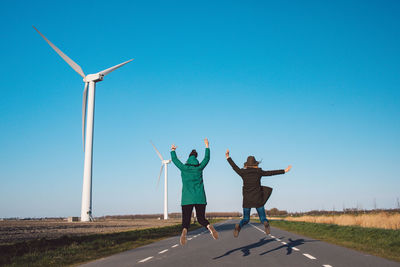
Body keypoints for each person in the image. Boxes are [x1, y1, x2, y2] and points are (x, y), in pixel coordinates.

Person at [225, 149, 291, 237]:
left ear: (246, 164)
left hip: (247, 200)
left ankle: (239, 226)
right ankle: (265, 223)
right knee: (263, 218)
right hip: (258, 199)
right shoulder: (258, 172)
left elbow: (234, 167)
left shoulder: (243, 172)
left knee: (246, 219)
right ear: (255, 163)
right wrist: (284, 171)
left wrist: (228, 157)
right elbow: (270, 173)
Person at [171, 138, 218, 245]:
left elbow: (175, 161)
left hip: (187, 198)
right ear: (196, 158)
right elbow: (207, 159)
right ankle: (208, 226)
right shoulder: (200, 167)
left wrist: (173, 151)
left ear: (188, 158)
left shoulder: (184, 168)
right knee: (201, 218)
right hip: (200, 197)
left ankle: (184, 231)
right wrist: (207, 146)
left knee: (186, 220)